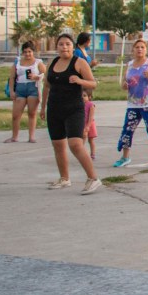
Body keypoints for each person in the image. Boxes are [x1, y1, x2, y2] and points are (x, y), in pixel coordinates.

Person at [41, 33, 102, 195]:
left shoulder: (79, 63)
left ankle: (93, 178)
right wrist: (42, 107)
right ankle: (64, 178)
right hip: (54, 109)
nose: (64, 47)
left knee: (75, 144)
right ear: (57, 47)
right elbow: (46, 86)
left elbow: (93, 84)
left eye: (67, 44)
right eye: (61, 44)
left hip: (74, 109)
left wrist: (80, 81)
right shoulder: (52, 63)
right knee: (58, 144)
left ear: (73, 47)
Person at [112, 39, 148, 170]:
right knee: (127, 130)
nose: (140, 49)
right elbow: (124, 83)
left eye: (142, 47)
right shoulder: (130, 65)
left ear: (146, 50)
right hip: (133, 104)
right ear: (133, 50)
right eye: (137, 47)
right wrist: (124, 85)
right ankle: (125, 157)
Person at [6, 41, 45, 143]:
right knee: (16, 115)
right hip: (20, 88)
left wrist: (37, 77)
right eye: (25, 52)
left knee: (32, 113)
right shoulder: (17, 62)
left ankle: (31, 136)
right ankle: (14, 137)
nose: (27, 54)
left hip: (33, 88)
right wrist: (11, 91)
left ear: (33, 52)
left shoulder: (38, 62)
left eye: (29, 52)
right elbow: (12, 77)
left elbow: (45, 75)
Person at [83, 89, 98, 160]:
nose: (82, 97)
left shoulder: (90, 105)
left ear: (89, 97)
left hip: (90, 124)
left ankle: (93, 153)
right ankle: (82, 154)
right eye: (80, 96)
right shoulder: (79, 104)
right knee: (82, 140)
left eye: (84, 96)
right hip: (82, 124)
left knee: (90, 140)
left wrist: (88, 126)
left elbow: (91, 117)